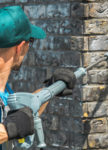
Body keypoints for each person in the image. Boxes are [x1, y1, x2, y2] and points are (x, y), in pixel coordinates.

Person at [0, 5, 76, 150]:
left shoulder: (4, 90)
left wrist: (50, 89)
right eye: (31, 41)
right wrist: (9, 129)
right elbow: (15, 124)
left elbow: (22, 115)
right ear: (20, 47)